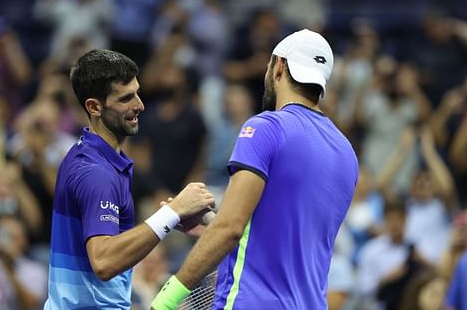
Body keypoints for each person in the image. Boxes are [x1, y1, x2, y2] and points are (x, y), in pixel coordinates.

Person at [151, 29, 359, 309]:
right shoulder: (346, 152)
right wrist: (210, 226)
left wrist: (167, 298)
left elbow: (231, 229)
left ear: (279, 66)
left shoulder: (265, 127)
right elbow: (287, 238)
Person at [43, 49, 215, 309]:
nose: (139, 105)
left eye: (137, 92)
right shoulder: (96, 173)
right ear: (94, 107)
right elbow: (104, 261)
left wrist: (175, 217)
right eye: (125, 99)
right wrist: (172, 211)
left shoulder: (94, 157)